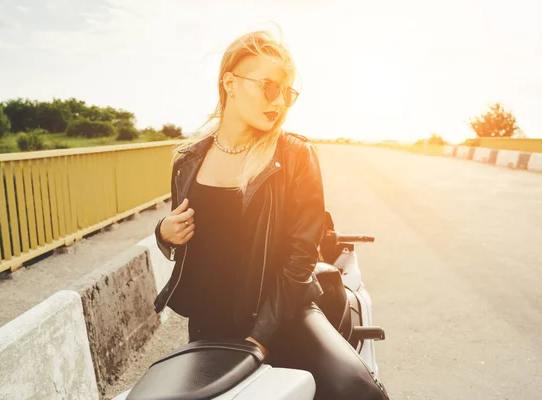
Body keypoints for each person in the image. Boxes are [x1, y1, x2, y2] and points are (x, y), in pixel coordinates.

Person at [153, 29, 390, 400]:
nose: (278, 101)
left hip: (284, 318)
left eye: (287, 92)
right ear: (230, 83)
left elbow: (300, 259)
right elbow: (187, 237)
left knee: (358, 390)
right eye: (268, 86)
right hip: (208, 325)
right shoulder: (188, 160)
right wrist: (164, 233)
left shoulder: (295, 155)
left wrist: (260, 337)